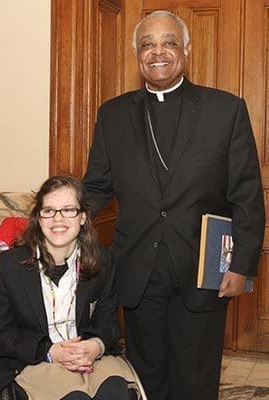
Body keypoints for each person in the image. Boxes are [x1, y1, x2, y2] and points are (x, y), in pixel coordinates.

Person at [83, 10, 265, 400]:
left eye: (167, 42)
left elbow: (247, 195)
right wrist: (59, 221)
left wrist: (241, 266)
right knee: (147, 376)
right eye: (147, 44)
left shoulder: (226, 110)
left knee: (195, 378)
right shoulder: (112, 115)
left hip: (202, 271)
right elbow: (96, 186)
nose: (157, 52)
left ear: (185, 49)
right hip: (138, 269)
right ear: (137, 54)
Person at [0, 174, 136, 400]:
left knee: (116, 392)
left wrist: (95, 346)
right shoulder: (8, 266)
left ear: (83, 217)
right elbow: (0, 335)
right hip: (35, 358)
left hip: (89, 356)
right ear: (39, 218)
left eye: (68, 209)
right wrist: (50, 351)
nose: (58, 219)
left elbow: (108, 322)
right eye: (49, 210)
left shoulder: (103, 261)